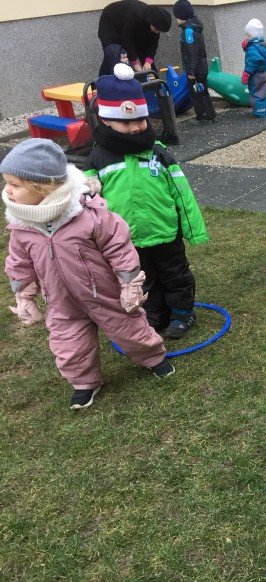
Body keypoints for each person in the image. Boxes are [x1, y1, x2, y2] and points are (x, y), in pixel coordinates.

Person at [2, 139, 174, 410]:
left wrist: (129, 283)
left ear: (42, 187)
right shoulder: (22, 226)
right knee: (68, 344)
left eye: (15, 184)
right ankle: (84, 382)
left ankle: (154, 358)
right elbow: (19, 262)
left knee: (130, 329)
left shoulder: (87, 215)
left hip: (104, 294)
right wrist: (23, 295)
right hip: (61, 302)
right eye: (6, 183)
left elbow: (119, 246)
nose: (7, 191)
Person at [84, 63, 209, 339]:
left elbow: (181, 191)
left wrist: (194, 229)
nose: (135, 128)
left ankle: (182, 313)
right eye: (126, 122)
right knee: (143, 279)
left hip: (165, 231)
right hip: (126, 239)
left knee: (176, 274)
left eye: (140, 120)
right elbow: (89, 204)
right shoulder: (98, 158)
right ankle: (155, 315)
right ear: (106, 120)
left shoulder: (157, 152)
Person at [98, 0, 172, 76]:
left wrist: (148, 61)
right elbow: (127, 39)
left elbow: (153, 44)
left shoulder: (156, 23)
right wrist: (135, 63)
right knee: (115, 55)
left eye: (159, 31)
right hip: (111, 26)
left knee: (146, 61)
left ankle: (154, 82)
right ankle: (101, 81)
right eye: (156, 29)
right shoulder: (135, 14)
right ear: (151, 21)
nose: (157, 32)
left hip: (132, 29)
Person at [172, 0, 216, 124]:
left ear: (182, 17)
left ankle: (202, 117)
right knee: (203, 91)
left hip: (195, 69)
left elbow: (192, 52)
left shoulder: (188, 31)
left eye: (176, 17)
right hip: (201, 67)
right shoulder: (195, 27)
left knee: (196, 93)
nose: (176, 20)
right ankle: (210, 115)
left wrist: (191, 71)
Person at [241, 18, 266, 118]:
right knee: (264, 92)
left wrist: (246, 74)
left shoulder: (252, 48)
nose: (245, 36)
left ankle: (259, 112)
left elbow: (251, 63)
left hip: (256, 75)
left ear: (251, 35)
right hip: (265, 73)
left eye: (247, 34)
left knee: (257, 93)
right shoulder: (264, 45)